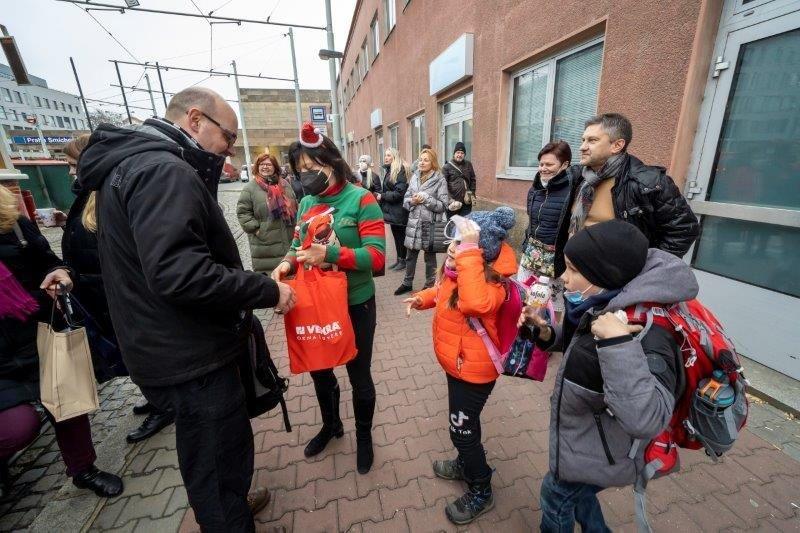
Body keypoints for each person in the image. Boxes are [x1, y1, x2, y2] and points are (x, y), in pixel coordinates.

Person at [77, 87, 296, 532]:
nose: (228, 149)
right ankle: (227, 516)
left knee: (209, 454)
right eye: (228, 137)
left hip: (165, 347)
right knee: (216, 461)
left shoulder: (134, 164)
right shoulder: (163, 170)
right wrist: (266, 292)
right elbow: (182, 274)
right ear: (195, 121)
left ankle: (229, 504)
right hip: (190, 358)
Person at [522, 220, 696, 532]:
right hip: (585, 441)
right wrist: (545, 332)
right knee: (578, 495)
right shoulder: (604, 303)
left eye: (574, 269)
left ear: (606, 274)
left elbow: (647, 417)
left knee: (556, 496)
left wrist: (617, 344)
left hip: (605, 448)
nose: (564, 277)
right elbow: (583, 344)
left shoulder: (647, 330)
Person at [271, 122, 385, 474]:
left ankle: (363, 437)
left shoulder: (361, 198)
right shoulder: (306, 201)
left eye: (312, 167)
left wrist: (332, 255)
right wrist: (285, 264)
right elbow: (296, 244)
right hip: (315, 302)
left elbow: (377, 258)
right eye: (300, 170)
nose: (306, 176)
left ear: (332, 160)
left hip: (355, 302)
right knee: (320, 371)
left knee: (358, 374)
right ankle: (331, 425)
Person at [0, 185, 123, 499]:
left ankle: (83, 470)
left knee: (66, 404)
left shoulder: (13, 221)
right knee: (18, 426)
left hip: (38, 332)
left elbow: (52, 263)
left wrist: (61, 275)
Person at [403, 207, 517, 525]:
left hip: (475, 374)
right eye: (453, 243)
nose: (453, 249)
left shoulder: (494, 286)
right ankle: (465, 464)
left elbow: (473, 303)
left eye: (462, 245)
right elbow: (442, 294)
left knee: (462, 433)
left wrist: (467, 254)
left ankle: (481, 488)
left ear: (482, 255)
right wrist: (421, 299)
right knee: (465, 425)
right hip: (457, 366)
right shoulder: (459, 274)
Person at [61, 135, 175, 444]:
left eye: (73, 165)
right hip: (99, 292)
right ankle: (156, 398)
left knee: (139, 353)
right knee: (130, 354)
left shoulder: (106, 195)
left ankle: (164, 405)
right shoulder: (88, 193)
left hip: (117, 293)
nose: (71, 173)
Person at [569, 113, 699, 256]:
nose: (582, 147)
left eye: (592, 141)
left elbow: (684, 229)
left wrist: (649, 267)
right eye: (583, 140)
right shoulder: (579, 178)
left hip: (617, 273)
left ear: (617, 145)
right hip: (579, 265)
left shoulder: (648, 182)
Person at [518, 140, 576, 319]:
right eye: (541, 164)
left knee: (554, 301)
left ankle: (552, 336)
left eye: (549, 164)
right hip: (532, 253)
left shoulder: (572, 191)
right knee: (526, 293)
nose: (543, 168)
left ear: (565, 164)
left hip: (555, 258)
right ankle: (528, 328)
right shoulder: (535, 189)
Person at [394, 148, 449, 295]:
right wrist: (412, 201)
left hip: (428, 225)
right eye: (420, 159)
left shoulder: (440, 180)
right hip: (414, 224)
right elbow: (405, 201)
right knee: (410, 256)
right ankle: (407, 283)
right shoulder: (414, 177)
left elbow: (443, 205)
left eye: (426, 160)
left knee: (429, 257)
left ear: (433, 163)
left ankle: (430, 285)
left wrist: (426, 199)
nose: (422, 162)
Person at [237, 153, 298, 273]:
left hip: (289, 238)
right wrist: (257, 230)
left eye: (268, 164)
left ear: (275, 167)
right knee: (270, 280)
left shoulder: (285, 185)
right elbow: (243, 213)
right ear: (257, 167)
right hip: (265, 245)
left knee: (291, 278)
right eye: (261, 164)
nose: (265, 167)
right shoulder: (250, 188)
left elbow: (295, 204)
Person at [379, 148, 410, 271]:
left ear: (394, 157)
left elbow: (399, 193)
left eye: (388, 155)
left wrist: (382, 195)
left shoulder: (399, 170)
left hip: (399, 210)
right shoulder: (390, 170)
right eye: (385, 155)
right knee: (396, 236)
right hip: (392, 210)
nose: (386, 157)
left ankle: (403, 261)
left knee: (401, 236)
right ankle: (399, 260)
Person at [441, 142, 476, 218]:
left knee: (465, 224)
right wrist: (450, 200)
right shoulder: (446, 167)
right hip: (453, 203)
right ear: (454, 153)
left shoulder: (468, 164)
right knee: (452, 224)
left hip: (466, 202)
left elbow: (473, 180)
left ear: (464, 155)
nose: (460, 155)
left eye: (462, 153)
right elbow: (443, 186)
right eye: (458, 152)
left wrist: (472, 194)